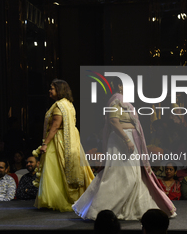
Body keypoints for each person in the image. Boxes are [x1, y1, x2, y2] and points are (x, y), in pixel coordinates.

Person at [72, 78, 176, 220]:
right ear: (120, 86)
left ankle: (130, 209)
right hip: (122, 140)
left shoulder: (123, 100)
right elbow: (113, 121)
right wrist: (127, 140)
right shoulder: (116, 99)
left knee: (134, 176)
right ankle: (101, 211)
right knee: (122, 176)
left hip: (128, 139)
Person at [35, 79, 95, 212]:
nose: (50, 91)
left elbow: (55, 126)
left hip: (59, 141)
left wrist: (45, 143)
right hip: (72, 140)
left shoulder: (58, 106)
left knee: (55, 170)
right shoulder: (69, 104)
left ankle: (59, 199)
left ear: (59, 90)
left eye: (52, 88)